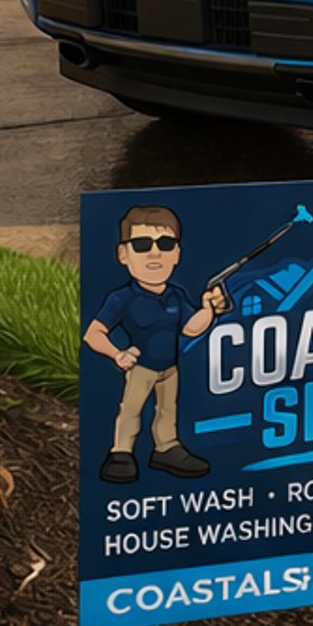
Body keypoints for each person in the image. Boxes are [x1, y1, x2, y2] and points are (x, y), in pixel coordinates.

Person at [83, 204, 227, 483]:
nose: (154, 252)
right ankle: (121, 453)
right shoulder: (121, 298)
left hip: (170, 368)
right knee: (131, 411)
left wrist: (209, 310)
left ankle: (166, 449)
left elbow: (190, 327)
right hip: (140, 368)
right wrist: (117, 354)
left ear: (177, 253)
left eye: (165, 243)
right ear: (123, 254)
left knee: (167, 410)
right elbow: (93, 334)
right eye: (141, 244)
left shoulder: (176, 295)